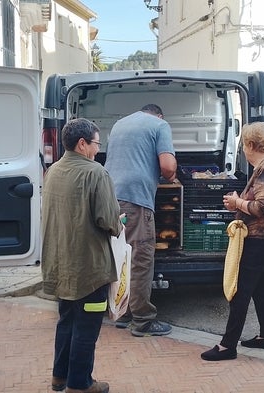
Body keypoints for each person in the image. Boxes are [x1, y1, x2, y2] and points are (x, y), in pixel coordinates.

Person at [41, 118, 122, 393]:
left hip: (62, 266)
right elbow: (108, 221)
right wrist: (119, 221)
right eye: (97, 143)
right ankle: (80, 383)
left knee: (66, 321)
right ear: (83, 143)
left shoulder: (52, 171)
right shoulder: (95, 173)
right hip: (90, 270)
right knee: (87, 327)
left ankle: (59, 377)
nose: (98, 150)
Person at [200, 122, 264, 361]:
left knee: (241, 289)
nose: (243, 151)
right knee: (261, 287)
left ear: (250, 145)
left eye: (243, 146)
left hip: (260, 237)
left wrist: (238, 203)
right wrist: (238, 202)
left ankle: (228, 346)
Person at [104, 104, 177, 337]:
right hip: (136, 200)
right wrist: (172, 173)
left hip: (111, 197)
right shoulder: (160, 125)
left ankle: (123, 312)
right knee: (140, 257)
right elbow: (167, 168)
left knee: (120, 256)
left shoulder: (119, 124)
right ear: (160, 114)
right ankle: (143, 320)